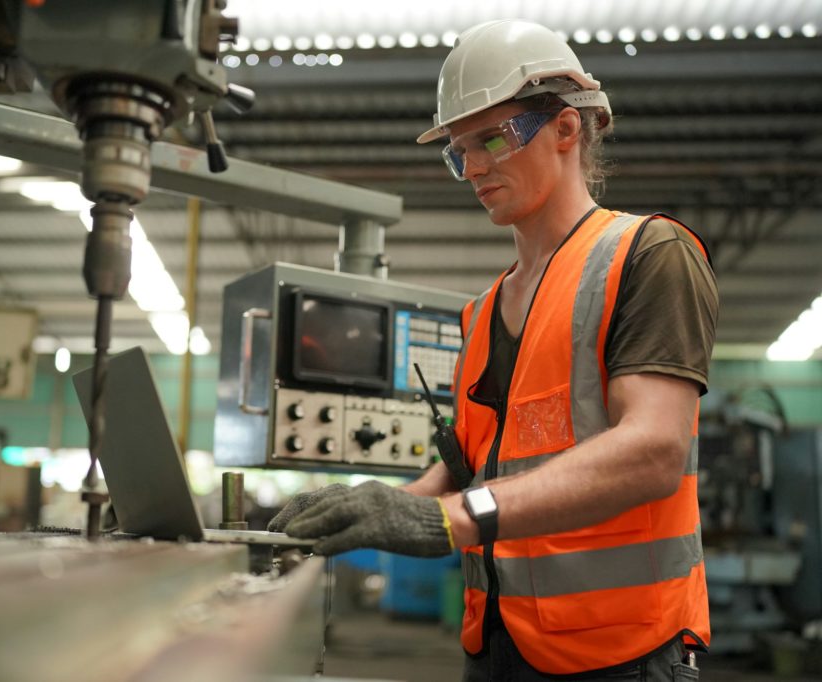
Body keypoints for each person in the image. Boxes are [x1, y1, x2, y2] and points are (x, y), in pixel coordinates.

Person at [268, 19, 718, 681]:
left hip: (622, 650)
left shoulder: (648, 255)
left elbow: (652, 451)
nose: (473, 168)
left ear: (566, 128)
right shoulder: (480, 314)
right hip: (498, 645)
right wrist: (374, 507)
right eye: (458, 152)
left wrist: (453, 518)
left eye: (492, 139)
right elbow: (471, 471)